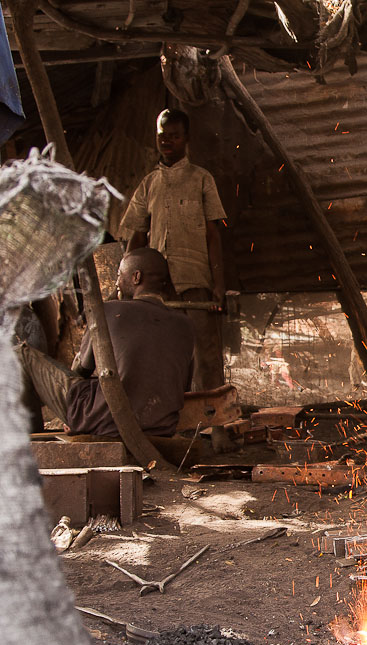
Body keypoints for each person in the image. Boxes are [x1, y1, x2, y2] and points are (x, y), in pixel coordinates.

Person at [118, 108, 228, 444]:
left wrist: (219, 282)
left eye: (175, 135)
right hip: (156, 289)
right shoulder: (149, 184)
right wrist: (123, 278)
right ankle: (173, 428)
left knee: (207, 356)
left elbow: (213, 233)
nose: (167, 141)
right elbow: (136, 233)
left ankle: (218, 428)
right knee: (165, 357)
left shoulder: (201, 178)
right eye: (163, 135)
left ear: (186, 139)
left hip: (195, 281)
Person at [18, 248, 194, 437]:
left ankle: (30, 438)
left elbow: (81, 371)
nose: (117, 283)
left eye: (119, 275)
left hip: (103, 422)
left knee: (21, 354)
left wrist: (71, 413)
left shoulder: (108, 311)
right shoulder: (185, 324)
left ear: (136, 277)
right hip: (159, 428)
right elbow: (183, 387)